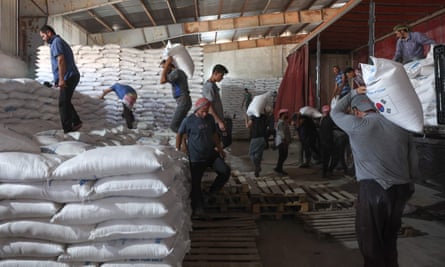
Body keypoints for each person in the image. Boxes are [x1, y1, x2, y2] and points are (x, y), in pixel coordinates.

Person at [330, 86, 419, 267]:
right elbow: (414, 160)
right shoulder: (399, 125)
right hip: (400, 190)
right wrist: (410, 185)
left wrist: (354, 93)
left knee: (370, 241)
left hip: (374, 190)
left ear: (356, 111)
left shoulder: (357, 125)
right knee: (389, 239)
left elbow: (335, 112)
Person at [176, 97, 231, 217]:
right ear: (197, 109)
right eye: (203, 111)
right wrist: (178, 149)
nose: (205, 113)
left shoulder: (210, 119)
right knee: (196, 183)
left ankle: (210, 193)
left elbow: (214, 134)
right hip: (196, 158)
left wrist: (220, 149)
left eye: (207, 111)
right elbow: (180, 134)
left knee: (225, 171)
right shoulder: (188, 121)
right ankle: (198, 207)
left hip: (211, 154)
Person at [39, 25, 82, 133]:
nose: (43, 39)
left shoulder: (56, 42)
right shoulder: (58, 41)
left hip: (69, 76)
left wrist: (62, 79)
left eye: (43, 36)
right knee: (65, 101)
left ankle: (68, 130)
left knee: (62, 103)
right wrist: (57, 80)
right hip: (71, 76)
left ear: (49, 33)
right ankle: (76, 122)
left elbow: (61, 60)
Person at [160, 56, 192, 132]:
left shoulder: (177, 72)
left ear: (170, 65)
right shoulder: (175, 73)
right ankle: (185, 142)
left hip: (183, 100)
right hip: (182, 100)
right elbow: (164, 78)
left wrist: (167, 64)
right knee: (181, 124)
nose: (164, 69)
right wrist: (166, 66)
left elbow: (162, 80)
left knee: (174, 126)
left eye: (164, 67)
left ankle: (192, 139)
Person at [201, 64, 230, 146]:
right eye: (221, 75)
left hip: (216, 121)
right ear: (215, 73)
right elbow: (209, 107)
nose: (222, 78)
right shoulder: (209, 87)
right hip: (213, 122)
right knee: (216, 144)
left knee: (220, 143)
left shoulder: (213, 86)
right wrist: (219, 121)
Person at [245, 111, 267, 177]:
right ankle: (257, 172)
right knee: (258, 155)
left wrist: (246, 118)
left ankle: (257, 167)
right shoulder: (264, 117)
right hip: (263, 138)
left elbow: (247, 126)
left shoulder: (253, 118)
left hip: (255, 138)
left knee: (251, 154)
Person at [274, 109, 291, 175]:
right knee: (283, 156)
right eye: (285, 114)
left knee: (283, 156)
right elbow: (281, 132)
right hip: (282, 142)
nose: (286, 115)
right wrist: (285, 140)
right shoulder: (281, 123)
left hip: (283, 141)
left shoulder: (283, 122)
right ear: (282, 115)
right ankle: (279, 169)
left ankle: (278, 168)